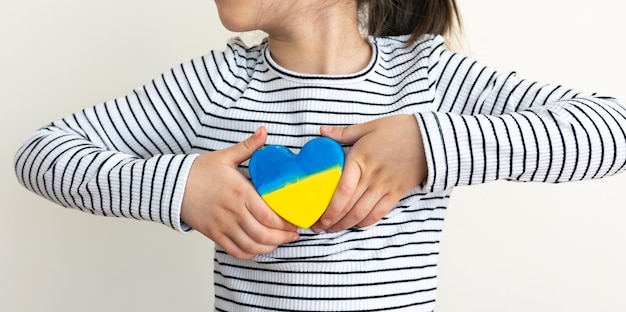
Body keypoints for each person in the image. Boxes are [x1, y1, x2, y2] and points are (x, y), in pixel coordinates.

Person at [13, 0, 626, 311]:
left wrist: (428, 144)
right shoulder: (217, 84)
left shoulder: (430, 77)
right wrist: (183, 188)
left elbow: (611, 131)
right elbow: (43, 153)